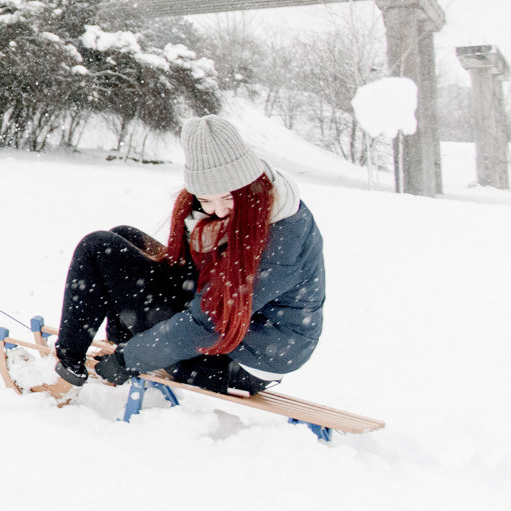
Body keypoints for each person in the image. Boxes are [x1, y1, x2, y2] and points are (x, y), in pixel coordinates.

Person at [51, 114, 325, 396]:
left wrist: (126, 361)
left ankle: (67, 370)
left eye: (227, 197)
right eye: (206, 200)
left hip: (241, 362)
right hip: (231, 335)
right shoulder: (258, 199)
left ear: (248, 186)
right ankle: (116, 346)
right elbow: (192, 277)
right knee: (123, 238)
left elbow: (210, 323)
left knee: (97, 248)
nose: (218, 210)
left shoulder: (281, 240)